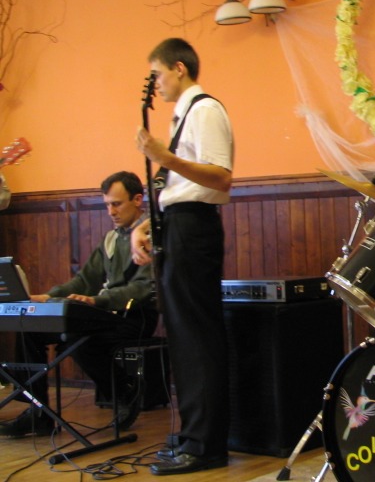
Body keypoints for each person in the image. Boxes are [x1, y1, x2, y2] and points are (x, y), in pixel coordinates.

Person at [132, 38, 233, 476]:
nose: (155, 83)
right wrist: (144, 225)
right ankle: (194, 434)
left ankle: (206, 444)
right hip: (177, 224)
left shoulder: (206, 110)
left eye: (157, 73)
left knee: (197, 336)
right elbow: (174, 186)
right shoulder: (184, 115)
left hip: (194, 227)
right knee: (183, 337)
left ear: (178, 68)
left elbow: (220, 177)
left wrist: (163, 156)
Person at [0, 171, 157, 438]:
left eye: (116, 204)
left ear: (137, 200)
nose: (111, 211)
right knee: (30, 328)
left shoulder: (150, 237)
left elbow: (143, 288)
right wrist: (48, 297)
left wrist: (96, 300)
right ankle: (38, 412)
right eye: (107, 204)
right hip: (106, 312)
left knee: (79, 339)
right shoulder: (111, 239)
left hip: (135, 316)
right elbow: (84, 280)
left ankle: (124, 393)